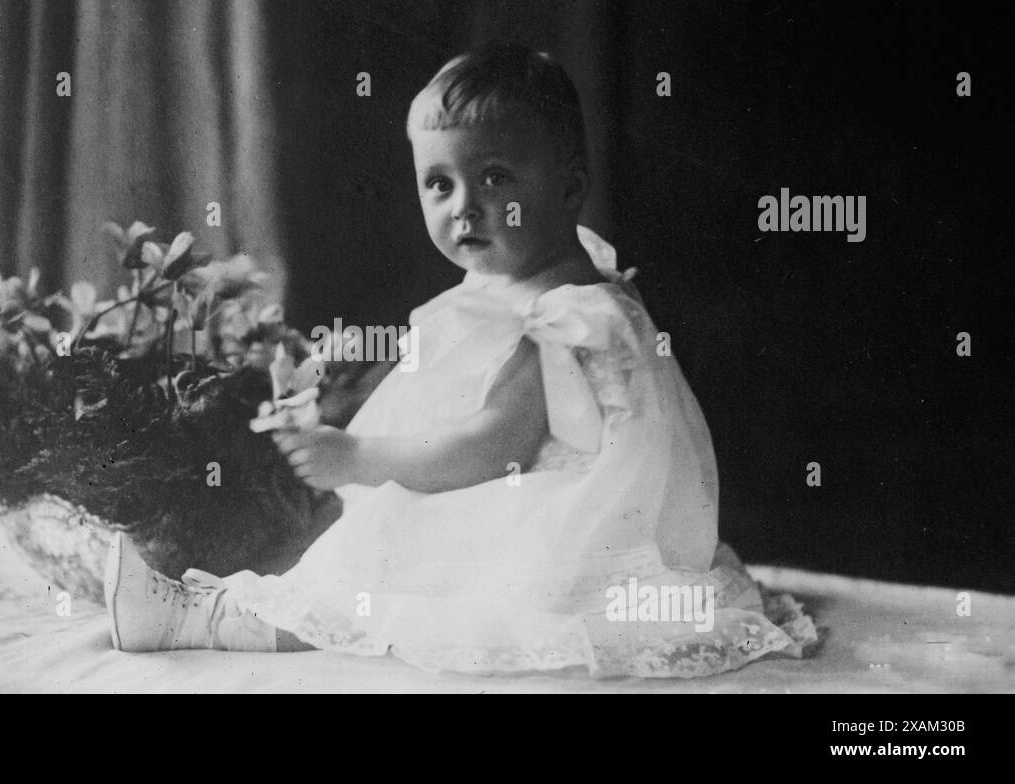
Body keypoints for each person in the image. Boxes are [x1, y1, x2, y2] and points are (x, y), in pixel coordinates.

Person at [104, 42, 815, 677]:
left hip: (557, 526)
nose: (465, 208)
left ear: (569, 187)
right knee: (369, 535)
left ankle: (197, 620)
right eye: (439, 184)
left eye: (496, 179)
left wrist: (362, 458)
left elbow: (493, 447)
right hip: (542, 496)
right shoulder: (527, 283)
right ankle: (213, 597)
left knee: (391, 547)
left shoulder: (562, 314)